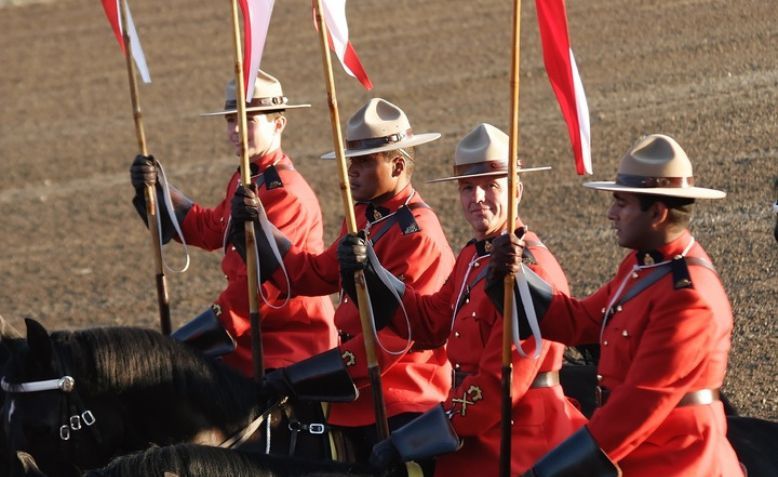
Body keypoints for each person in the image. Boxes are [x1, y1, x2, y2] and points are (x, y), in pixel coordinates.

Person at [339, 123, 587, 476]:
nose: (477, 198)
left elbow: (499, 386)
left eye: (491, 186)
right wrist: (373, 273)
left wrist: (408, 440)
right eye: (467, 188)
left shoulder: (531, 270)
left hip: (519, 443)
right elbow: (427, 324)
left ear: (516, 190)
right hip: (472, 435)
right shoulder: (473, 256)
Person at [489, 134, 744, 476]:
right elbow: (578, 322)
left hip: (678, 464)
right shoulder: (642, 267)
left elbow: (637, 406)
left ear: (657, 212)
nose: (611, 214)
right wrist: (514, 274)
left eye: (621, 203)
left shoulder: (689, 298)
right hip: (633, 454)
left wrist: (549, 471)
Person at [232, 97, 456, 466]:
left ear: (398, 164)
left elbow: (395, 341)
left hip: (401, 396)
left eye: (364, 162)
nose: (351, 170)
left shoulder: (417, 234)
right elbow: (315, 273)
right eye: (350, 161)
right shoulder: (363, 215)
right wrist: (258, 229)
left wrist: (299, 377)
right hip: (355, 394)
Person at [129, 71, 336, 377]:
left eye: (248, 120)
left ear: (278, 124)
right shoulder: (246, 179)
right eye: (230, 120)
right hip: (251, 335)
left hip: (288, 342)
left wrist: (204, 331)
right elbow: (211, 228)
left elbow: (263, 284)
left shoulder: (284, 192)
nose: (236, 128)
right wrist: (158, 191)